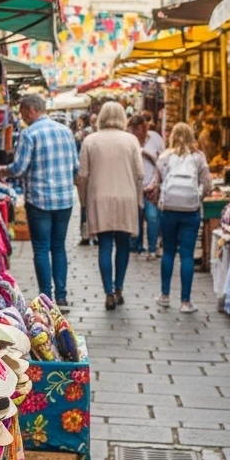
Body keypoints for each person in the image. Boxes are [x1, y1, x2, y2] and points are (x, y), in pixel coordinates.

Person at [7, 94, 79, 308]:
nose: (23, 119)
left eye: (22, 114)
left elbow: (19, 168)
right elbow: (76, 167)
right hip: (64, 199)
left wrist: (4, 172)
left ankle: (46, 299)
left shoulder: (30, 134)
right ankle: (62, 296)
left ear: (31, 110)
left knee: (40, 248)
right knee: (58, 247)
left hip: (39, 200)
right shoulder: (66, 132)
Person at [77, 101, 143, 310]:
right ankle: (119, 288)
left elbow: (83, 174)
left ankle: (108, 291)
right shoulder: (131, 140)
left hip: (99, 198)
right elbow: (140, 174)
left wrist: (83, 202)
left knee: (105, 246)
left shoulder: (90, 140)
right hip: (126, 198)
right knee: (123, 245)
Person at [156, 123, 213, 313]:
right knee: (187, 254)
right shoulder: (198, 157)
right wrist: (199, 198)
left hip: (168, 209)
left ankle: (164, 296)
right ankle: (185, 302)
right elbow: (207, 184)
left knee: (168, 252)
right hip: (191, 210)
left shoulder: (165, 157)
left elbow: (157, 183)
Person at [129, 114, 165, 259]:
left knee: (152, 217)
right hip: (134, 185)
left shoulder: (155, 138)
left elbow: (163, 160)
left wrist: (156, 183)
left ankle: (152, 248)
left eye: (136, 129)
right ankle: (136, 247)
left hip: (152, 184)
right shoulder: (129, 140)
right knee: (135, 217)